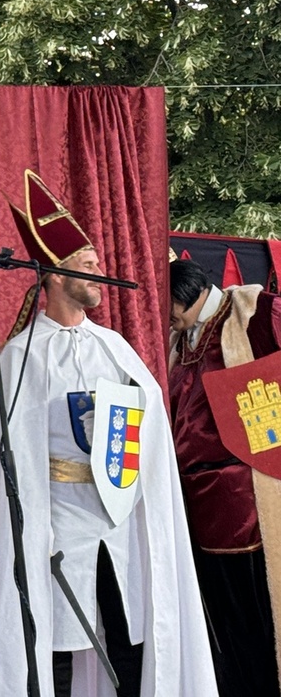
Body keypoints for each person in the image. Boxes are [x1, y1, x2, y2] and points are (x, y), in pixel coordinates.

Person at [0, 171, 215, 696]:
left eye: (98, 262)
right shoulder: (22, 354)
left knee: (126, 642)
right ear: (51, 275)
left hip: (120, 524)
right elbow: (19, 459)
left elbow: (151, 436)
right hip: (58, 528)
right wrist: (36, 534)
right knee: (55, 654)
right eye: (86, 264)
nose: (100, 271)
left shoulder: (116, 348)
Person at [168, 258, 281, 696]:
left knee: (259, 612)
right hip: (196, 505)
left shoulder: (256, 312)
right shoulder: (178, 341)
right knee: (222, 619)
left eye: (169, 306)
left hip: (248, 501)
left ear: (185, 294)